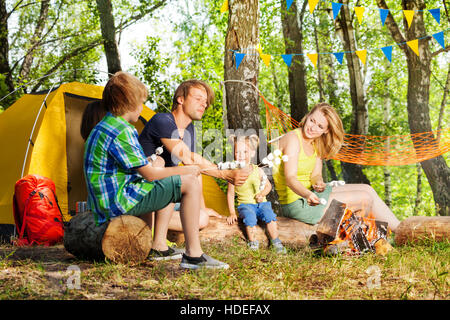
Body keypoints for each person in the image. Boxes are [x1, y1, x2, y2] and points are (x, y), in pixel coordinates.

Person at [83, 71, 228, 269]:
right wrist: (186, 171)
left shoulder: (104, 126)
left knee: (170, 175)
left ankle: (159, 246)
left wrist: (157, 163)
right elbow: (150, 175)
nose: (142, 109)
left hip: (104, 203)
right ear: (129, 101)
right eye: (141, 102)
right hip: (118, 204)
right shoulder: (124, 130)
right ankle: (194, 256)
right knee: (187, 180)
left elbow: (129, 169)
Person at [138, 79, 250, 231]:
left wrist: (202, 209)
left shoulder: (190, 130)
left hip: (164, 196)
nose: (204, 104)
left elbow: (195, 168)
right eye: (198, 99)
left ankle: (149, 222)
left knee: (201, 219)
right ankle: (141, 217)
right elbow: (187, 157)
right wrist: (225, 173)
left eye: (205, 102)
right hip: (140, 192)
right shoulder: (162, 120)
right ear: (181, 99)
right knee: (159, 162)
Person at [273, 102, 401, 232]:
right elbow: (290, 178)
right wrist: (307, 194)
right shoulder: (293, 139)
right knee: (364, 198)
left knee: (367, 189)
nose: (312, 128)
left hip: (312, 195)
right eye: (312, 120)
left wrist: (318, 183)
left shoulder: (316, 143)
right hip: (297, 204)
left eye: (320, 126)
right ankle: (363, 238)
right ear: (308, 116)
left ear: (326, 130)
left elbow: (316, 174)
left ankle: (401, 229)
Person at [226, 134, 286, 254]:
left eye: (245, 152)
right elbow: (230, 194)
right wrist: (232, 212)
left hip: (262, 203)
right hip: (246, 205)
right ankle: (253, 242)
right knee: (250, 218)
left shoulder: (258, 170)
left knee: (270, 216)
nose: (241, 156)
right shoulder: (233, 173)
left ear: (252, 153)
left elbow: (268, 186)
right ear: (233, 153)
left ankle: (276, 241)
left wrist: (262, 193)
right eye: (238, 152)